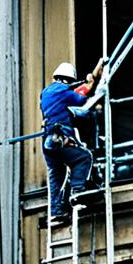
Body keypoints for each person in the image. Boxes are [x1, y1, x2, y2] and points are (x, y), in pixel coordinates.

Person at [39, 59, 104, 226]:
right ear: (68, 80)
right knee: (84, 158)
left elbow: (68, 101)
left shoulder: (46, 92)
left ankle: (55, 213)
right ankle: (77, 192)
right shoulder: (64, 91)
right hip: (61, 137)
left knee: (56, 176)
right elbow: (82, 102)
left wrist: (87, 83)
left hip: (48, 141)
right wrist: (91, 85)